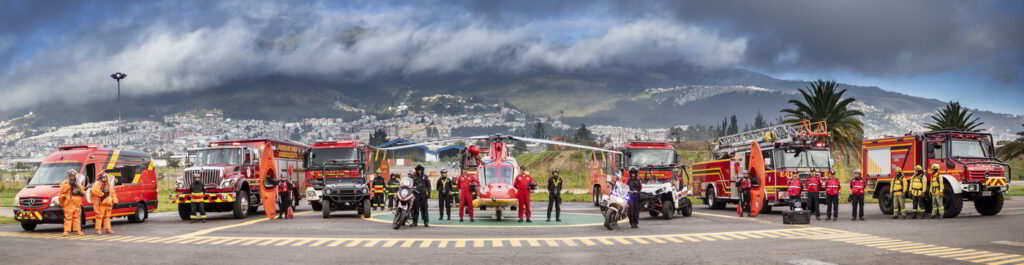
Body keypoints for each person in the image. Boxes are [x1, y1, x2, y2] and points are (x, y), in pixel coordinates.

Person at [60, 170, 85, 236]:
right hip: (69, 202)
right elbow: (62, 190)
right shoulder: (65, 182)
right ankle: (66, 231)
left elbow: (82, 191)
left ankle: (77, 231)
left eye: (73, 175)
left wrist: (80, 192)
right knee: (68, 217)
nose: (72, 177)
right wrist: (69, 185)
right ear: (68, 176)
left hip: (77, 202)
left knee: (77, 217)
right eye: (70, 175)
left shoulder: (78, 182)